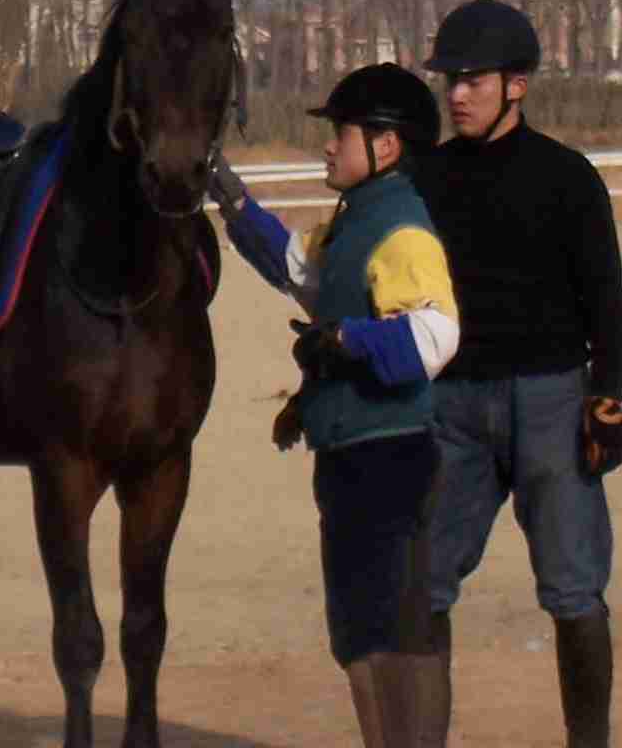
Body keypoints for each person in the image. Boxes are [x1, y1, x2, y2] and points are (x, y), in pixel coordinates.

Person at [208, 62, 459, 748]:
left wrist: (349, 341)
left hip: (391, 456)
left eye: (340, 133)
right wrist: (232, 202)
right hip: (350, 455)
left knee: (394, 633)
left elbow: (437, 335)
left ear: (386, 145)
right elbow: (304, 274)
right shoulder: (357, 222)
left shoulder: (402, 226)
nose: (327, 146)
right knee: (357, 635)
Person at [415, 0, 622, 748]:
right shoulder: (424, 179)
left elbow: (608, 299)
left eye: (474, 78)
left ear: (519, 85)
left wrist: (607, 398)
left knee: (575, 594)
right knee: (421, 590)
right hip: (450, 410)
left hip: (551, 403)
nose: (459, 93)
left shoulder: (568, 179)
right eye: (451, 79)